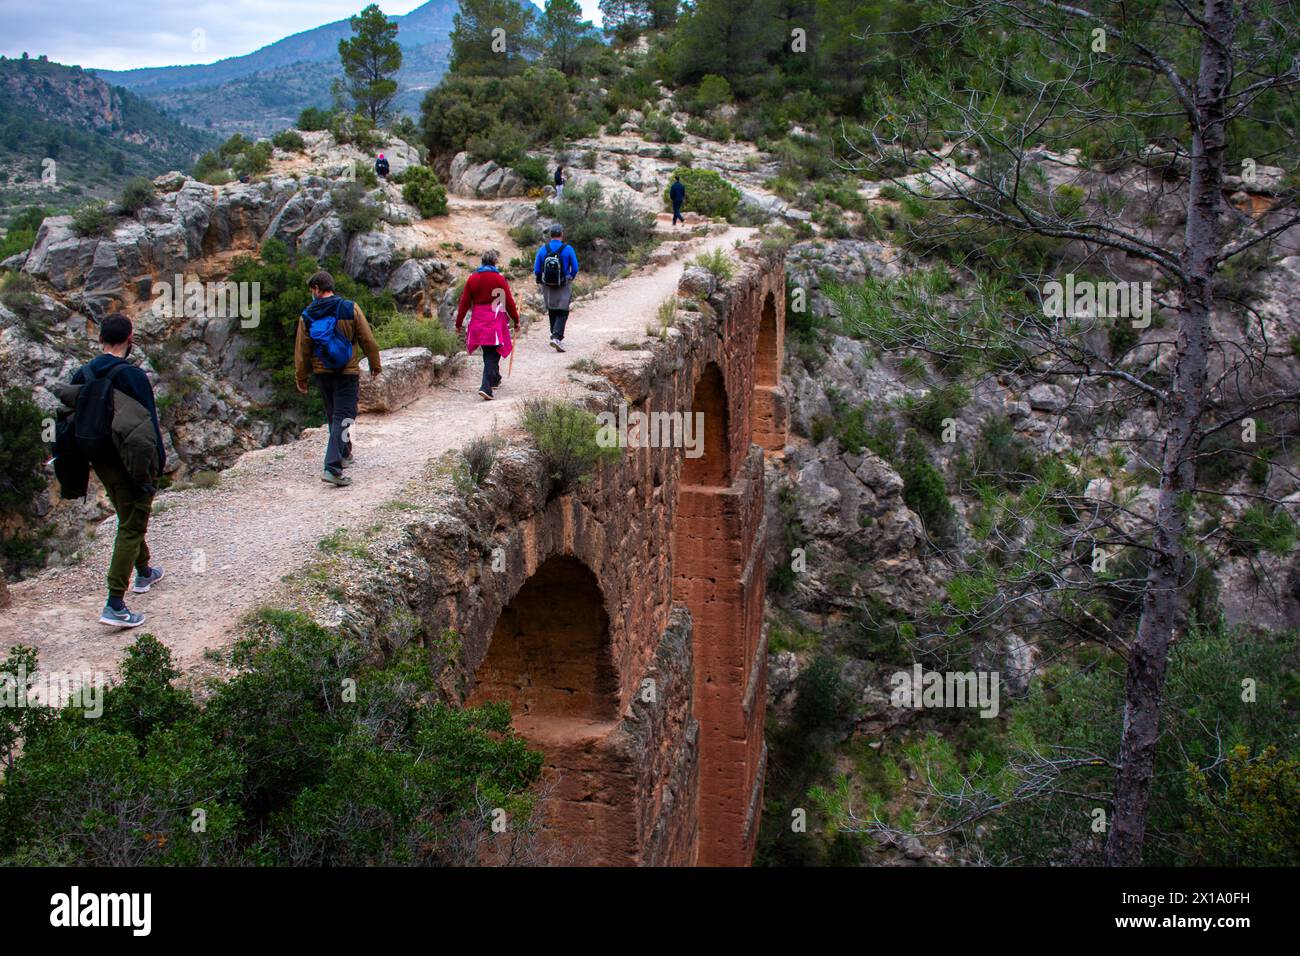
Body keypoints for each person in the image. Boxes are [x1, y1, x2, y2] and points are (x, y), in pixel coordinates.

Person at [65, 313, 166, 628]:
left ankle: (145, 571)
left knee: (128, 513)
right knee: (133, 524)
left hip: (101, 459)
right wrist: (156, 465)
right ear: (130, 339)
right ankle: (115, 603)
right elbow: (148, 425)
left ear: (101, 340)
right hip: (130, 458)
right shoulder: (132, 376)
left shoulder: (83, 373)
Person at [295, 270, 382, 487]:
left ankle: (344, 453)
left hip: (322, 373)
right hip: (347, 371)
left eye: (311, 290)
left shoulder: (307, 315)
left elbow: (302, 351)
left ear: (316, 289)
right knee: (344, 416)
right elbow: (367, 339)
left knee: (335, 415)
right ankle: (332, 467)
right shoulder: (349, 307)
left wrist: (302, 377)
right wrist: (375, 364)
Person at [457, 250, 520, 400]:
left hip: (478, 320)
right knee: (493, 352)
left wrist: (458, 323)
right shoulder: (499, 279)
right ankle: (486, 387)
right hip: (495, 319)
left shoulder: (473, 279)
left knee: (488, 351)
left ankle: (495, 378)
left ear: (482, 262)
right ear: (494, 262)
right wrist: (516, 320)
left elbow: (464, 303)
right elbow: (509, 302)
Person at [533, 223, 579, 353]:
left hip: (547, 285)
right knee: (563, 310)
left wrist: (539, 280)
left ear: (550, 235)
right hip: (563, 284)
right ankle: (556, 337)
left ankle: (554, 334)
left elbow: (537, 269)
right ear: (562, 235)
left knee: (552, 309)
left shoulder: (543, 249)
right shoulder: (568, 249)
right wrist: (570, 277)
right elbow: (575, 268)